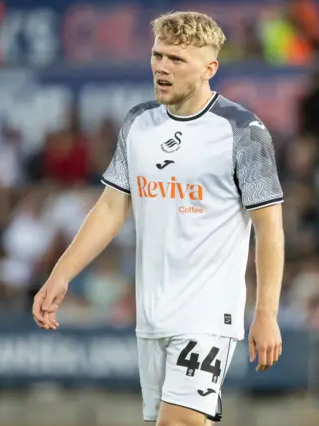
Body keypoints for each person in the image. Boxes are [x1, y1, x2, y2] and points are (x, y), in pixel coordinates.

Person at [31, 11, 285, 426]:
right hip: (151, 314)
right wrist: (61, 273)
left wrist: (266, 313)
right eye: (157, 55)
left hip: (207, 311)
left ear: (209, 68)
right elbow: (111, 208)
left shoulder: (243, 131)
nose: (162, 68)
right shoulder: (139, 123)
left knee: (177, 423)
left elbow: (269, 228)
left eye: (176, 60)